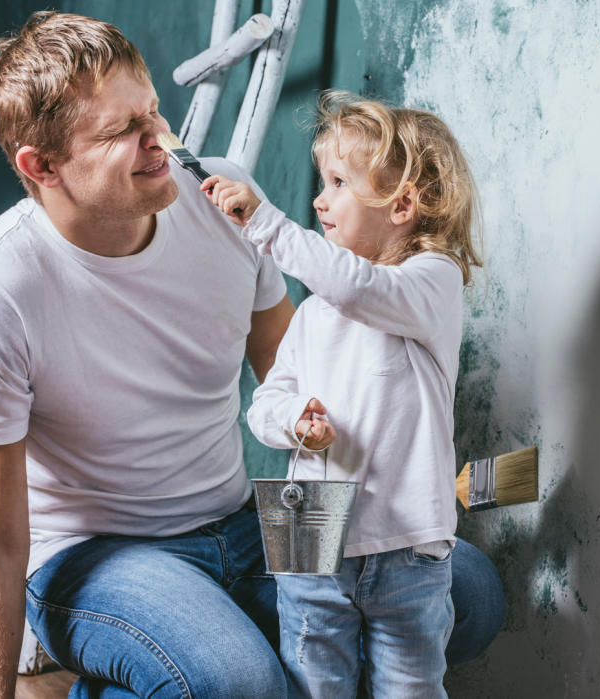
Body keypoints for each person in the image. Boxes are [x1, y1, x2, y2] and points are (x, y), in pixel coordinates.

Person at [0, 11, 504, 698]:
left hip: (244, 522)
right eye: (123, 132)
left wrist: (401, 486)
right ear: (41, 165)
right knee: (239, 685)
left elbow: (294, 376)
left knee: (465, 593)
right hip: (101, 555)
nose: (160, 142)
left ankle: (183, 671)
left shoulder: (218, 199)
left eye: (153, 112)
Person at [203, 91, 482, 697]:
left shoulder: (432, 284)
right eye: (320, 182)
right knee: (312, 682)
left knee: (410, 684)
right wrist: (294, 424)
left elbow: (360, 287)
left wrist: (265, 222)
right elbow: (265, 404)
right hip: (309, 527)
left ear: (403, 203)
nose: (319, 200)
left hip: (407, 539)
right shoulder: (314, 314)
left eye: (338, 182)